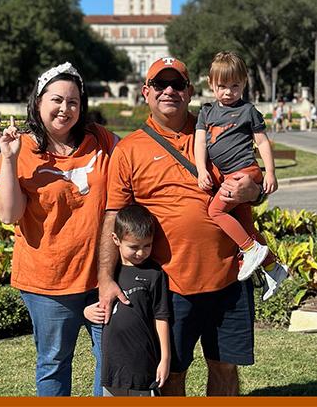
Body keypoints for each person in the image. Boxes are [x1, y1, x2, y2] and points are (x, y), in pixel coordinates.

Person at [98, 56, 285, 397]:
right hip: (172, 285)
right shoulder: (128, 150)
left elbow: (252, 180)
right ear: (146, 92)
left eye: (178, 84)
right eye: (160, 84)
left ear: (191, 91)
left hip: (230, 277)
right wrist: (105, 279)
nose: (169, 90)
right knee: (172, 373)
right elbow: (114, 216)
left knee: (225, 366)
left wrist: (254, 191)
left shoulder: (219, 127)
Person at [0, 62, 117, 397]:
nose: (65, 109)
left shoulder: (100, 139)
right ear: (39, 102)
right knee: (54, 362)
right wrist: (11, 158)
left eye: (73, 102)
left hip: (100, 277)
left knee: (113, 360)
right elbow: (8, 214)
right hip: (48, 282)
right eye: (57, 100)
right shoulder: (21, 147)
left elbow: (136, 163)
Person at [194, 51, 279, 282]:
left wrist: (269, 172)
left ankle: (251, 250)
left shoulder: (247, 111)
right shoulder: (207, 112)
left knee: (216, 211)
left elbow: (261, 141)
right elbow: (200, 141)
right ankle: (274, 268)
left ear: (244, 83)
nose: (228, 92)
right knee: (247, 227)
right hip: (228, 177)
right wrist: (202, 169)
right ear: (211, 84)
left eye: (235, 85)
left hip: (243, 173)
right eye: (222, 86)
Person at [83, 204, 171, 397]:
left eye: (147, 246)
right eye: (134, 247)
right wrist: (86, 312)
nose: (141, 253)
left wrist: (165, 357)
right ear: (116, 239)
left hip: (144, 360)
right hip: (113, 364)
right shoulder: (108, 274)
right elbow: (92, 303)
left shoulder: (154, 274)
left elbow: (161, 316)